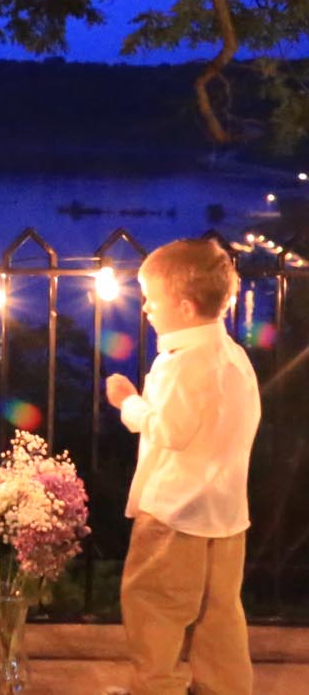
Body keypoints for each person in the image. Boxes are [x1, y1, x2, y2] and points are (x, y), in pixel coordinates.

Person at [105, 237, 260, 695]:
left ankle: (157, 688)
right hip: (226, 516)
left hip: (174, 514)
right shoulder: (233, 357)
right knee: (220, 615)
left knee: (155, 611)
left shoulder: (184, 363)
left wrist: (128, 402)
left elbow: (170, 431)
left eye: (152, 300)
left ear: (186, 308)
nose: (146, 309)